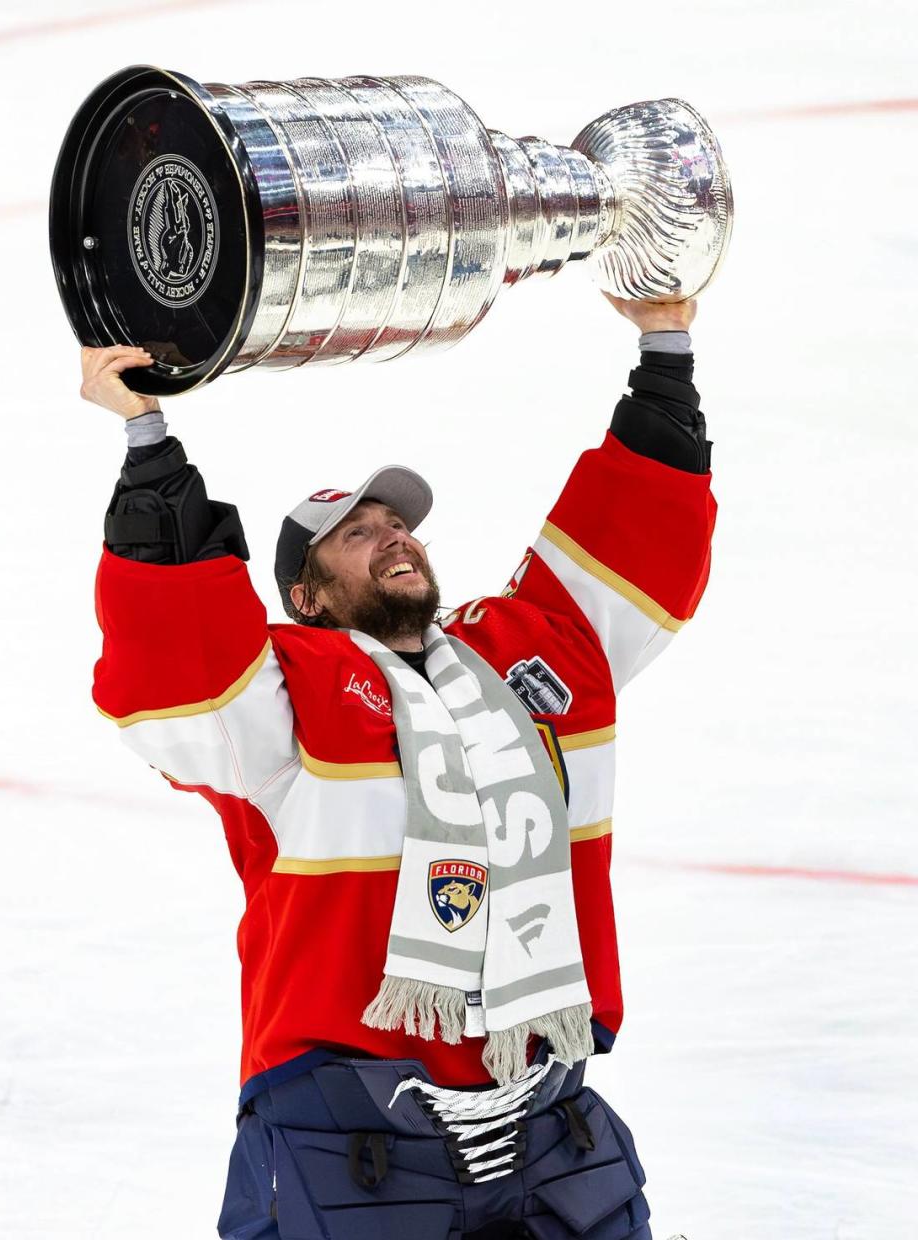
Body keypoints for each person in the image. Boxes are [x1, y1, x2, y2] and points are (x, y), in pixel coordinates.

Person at [83, 291, 716, 1240]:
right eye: (358, 533)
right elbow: (183, 664)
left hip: (548, 1128)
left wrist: (664, 342)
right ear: (308, 594)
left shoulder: (530, 650)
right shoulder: (288, 692)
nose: (395, 534)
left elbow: (637, 539)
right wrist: (147, 440)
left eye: (398, 521)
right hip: (351, 1142)